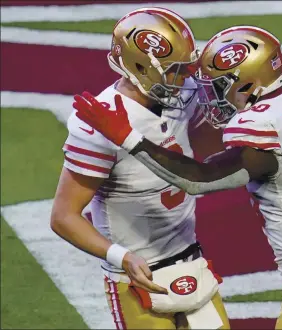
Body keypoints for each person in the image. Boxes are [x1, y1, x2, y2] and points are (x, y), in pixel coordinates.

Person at [73, 25, 282, 329]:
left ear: (248, 86)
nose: (212, 96)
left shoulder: (264, 129)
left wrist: (129, 138)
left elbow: (198, 180)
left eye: (219, 86)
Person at [50, 7, 230, 330]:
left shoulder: (183, 95)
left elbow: (205, 146)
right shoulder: (100, 124)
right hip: (136, 276)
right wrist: (121, 256)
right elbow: (63, 216)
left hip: (190, 259)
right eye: (176, 70)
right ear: (144, 69)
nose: (187, 78)